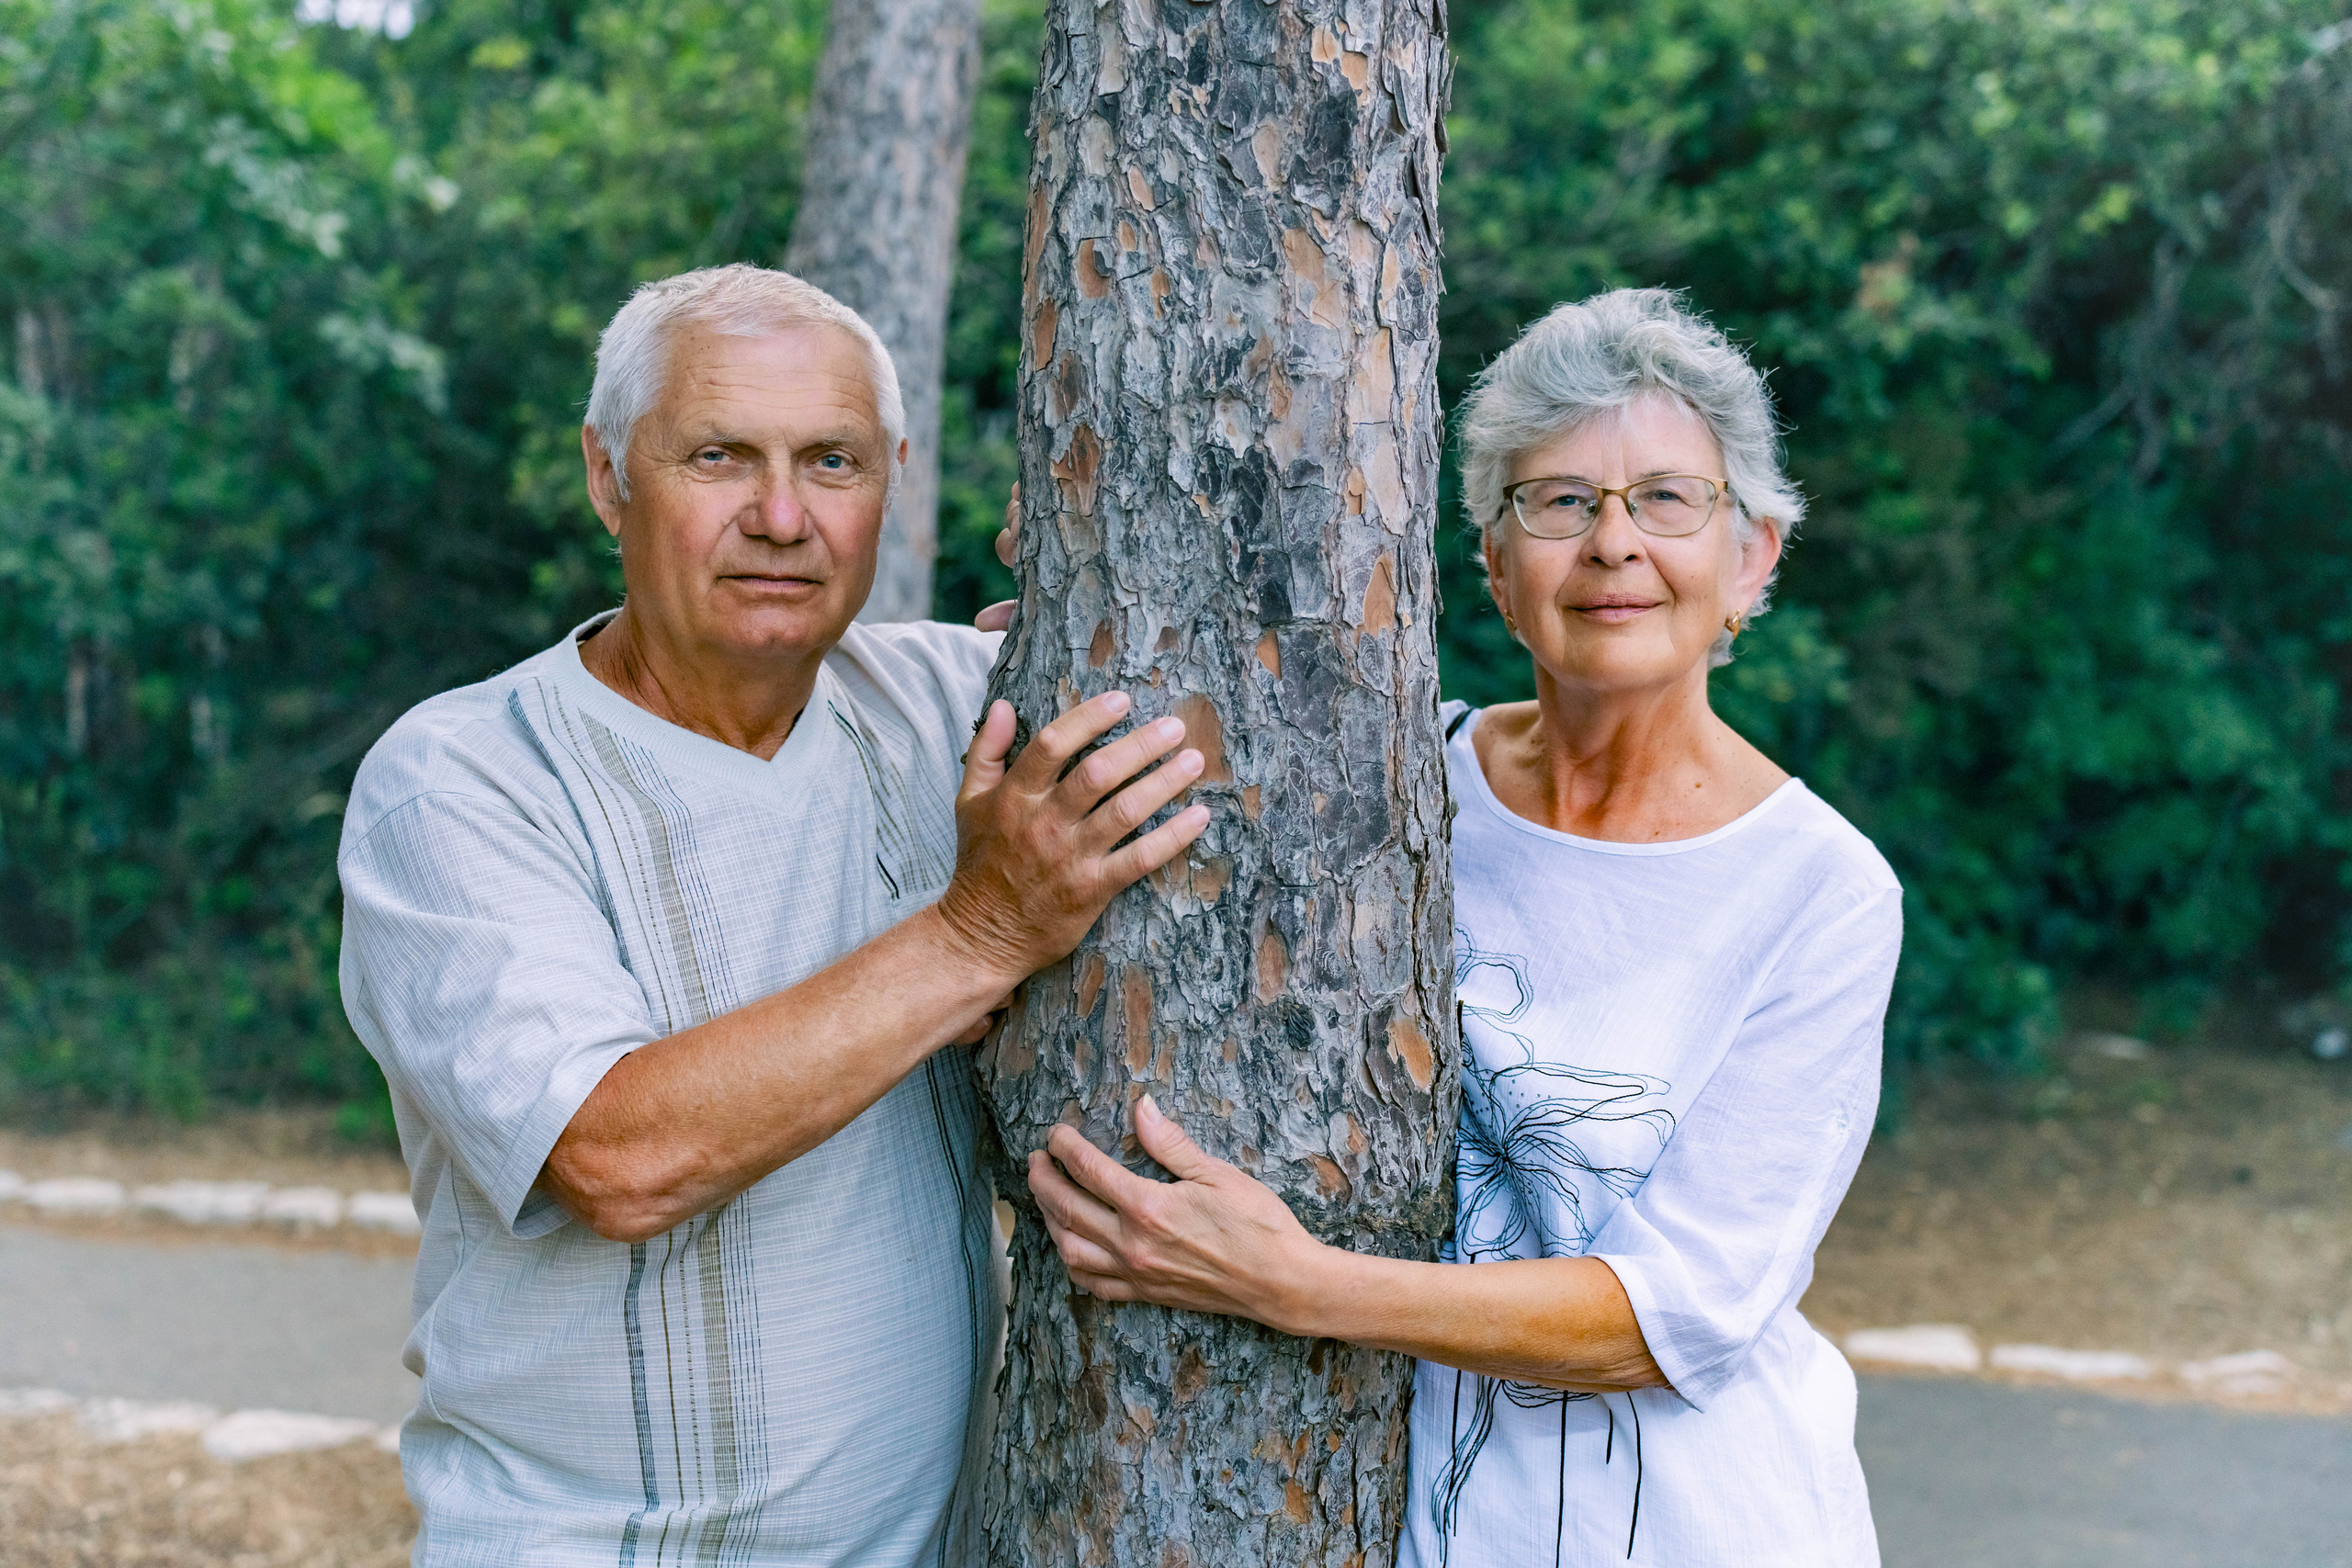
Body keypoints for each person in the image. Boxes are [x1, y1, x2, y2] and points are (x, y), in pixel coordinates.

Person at [337, 263, 1207, 1564]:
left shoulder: (942, 707)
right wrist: (977, 937)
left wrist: (1117, 569)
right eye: (718, 457)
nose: (783, 515)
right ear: (606, 477)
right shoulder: (463, 780)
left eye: (834, 463)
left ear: (891, 483)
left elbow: (1214, 740)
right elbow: (615, 1158)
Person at [1021, 288, 1903, 1567]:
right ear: (1494, 564)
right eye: (1558, 501)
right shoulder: (1399, 785)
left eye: (1668, 499)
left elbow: (1674, 1317)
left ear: (1753, 556)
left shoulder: (1819, 890)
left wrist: (1297, 1286)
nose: (1613, 544)